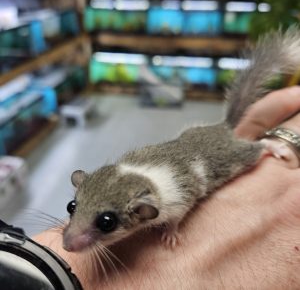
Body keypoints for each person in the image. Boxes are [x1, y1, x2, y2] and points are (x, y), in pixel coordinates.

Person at [33, 86, 300, 289]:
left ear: (142, 212)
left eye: (105, 222)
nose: (69, 241)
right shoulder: (128, 177)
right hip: (191, 141)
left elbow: (185, 199)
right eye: (73, 207)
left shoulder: (159, 203)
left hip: (212, 152)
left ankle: (265, 147)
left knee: (243, 158)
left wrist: (172, 226)